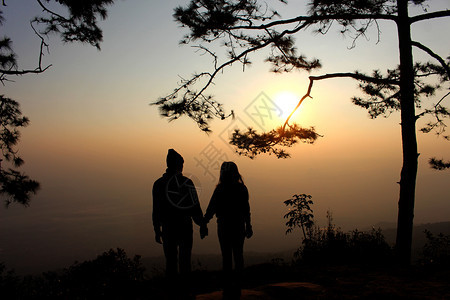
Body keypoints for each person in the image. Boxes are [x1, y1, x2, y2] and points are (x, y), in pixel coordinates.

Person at [152, 149, 207, 279]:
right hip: (185, 227)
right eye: (181, 164)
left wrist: (156, 229)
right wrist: (202, 224)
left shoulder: (159, 184)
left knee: (170, 261)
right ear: (179, 165)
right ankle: (185, 290)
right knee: (185, 261)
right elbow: (195, 207)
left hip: (168, 227)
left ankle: (172, 291)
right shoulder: (188, 182)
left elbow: (156, 210)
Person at [204, 161, 253, 298]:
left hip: (224, 226)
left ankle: (227, 287)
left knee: (226, 256)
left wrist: (204, 222)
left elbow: (211, 208)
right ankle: (237, 286)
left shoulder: (220, 189)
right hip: (238, 225)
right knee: (238, 255)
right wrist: (248, 226)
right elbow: (246, 210)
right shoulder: (242, 188)